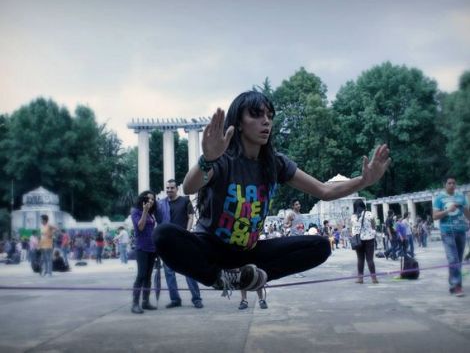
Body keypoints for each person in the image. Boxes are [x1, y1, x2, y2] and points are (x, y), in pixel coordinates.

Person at [152, 91, 390, 298]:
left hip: (250, 253)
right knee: (163, 235)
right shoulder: (223, 160)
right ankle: (219, 277)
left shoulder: (275, 163)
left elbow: (324, 191)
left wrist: (364, 181)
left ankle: (253, 276)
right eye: (256, 115)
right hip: (212, 248)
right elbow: (189, 187)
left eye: (269, 116)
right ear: (239, 123)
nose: (266, 121)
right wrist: (207, 160)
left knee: (320, 246)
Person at [156, 179, 204, 309]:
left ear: (177, 189)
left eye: (172, 188)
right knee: (169, 272)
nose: (169, 190)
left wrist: (187, 232)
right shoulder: (161, 204)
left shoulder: (185, 201)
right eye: (167, 188)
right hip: (167, 242)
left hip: (182, 240)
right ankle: (175, 299)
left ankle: (196, 299)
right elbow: (159, 221)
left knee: (189, 271)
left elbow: (190, 217)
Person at [432, 176, 470, 297]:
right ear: (444, 184)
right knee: (453, 259)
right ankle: (456, 285)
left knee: (458, 260)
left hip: (461, 230)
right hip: (447, 231)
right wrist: (448, 210)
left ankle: (453, 283)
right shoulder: (439, 198)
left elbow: (467, 213)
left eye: (454, 183)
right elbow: (435, 216)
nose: (452, 185)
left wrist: (464, 208)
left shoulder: (461, 197)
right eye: (449, 183)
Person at [131, 190, 158, 313]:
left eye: (153, 199)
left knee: (148, 276)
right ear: (143, 199)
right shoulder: (136, 211)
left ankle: (145, 302)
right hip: (142, 248)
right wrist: (145, 211)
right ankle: (135, 304)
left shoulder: (151, 214)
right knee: (141, 275)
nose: (151, 201)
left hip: (152, 248)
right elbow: (140, 227)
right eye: (148, 199)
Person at [351, 199, 379, 284]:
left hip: (358, 240)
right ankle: (374, 278)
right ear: (363, 205)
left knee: (360, 259)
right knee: (370, 259)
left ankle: (360, 279)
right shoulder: (369, 214)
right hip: (369, 239)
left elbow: (353, 228)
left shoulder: (353, 216)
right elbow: (374, 226)